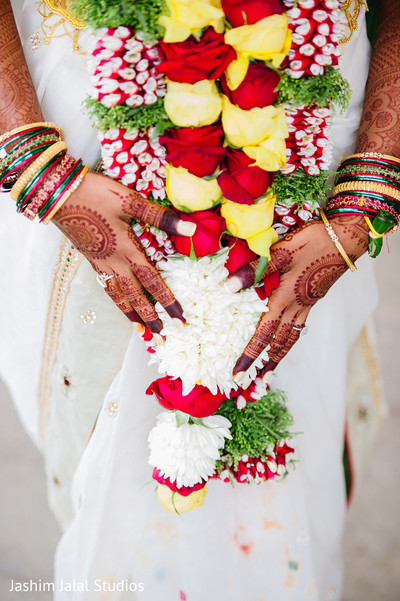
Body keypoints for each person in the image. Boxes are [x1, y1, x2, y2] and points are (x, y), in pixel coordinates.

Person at [0, 0, 398, 599]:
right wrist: (34, 165)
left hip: (309, 144)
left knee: (300, 429)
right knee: (99, 451)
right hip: (92, 141)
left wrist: (371, 184)